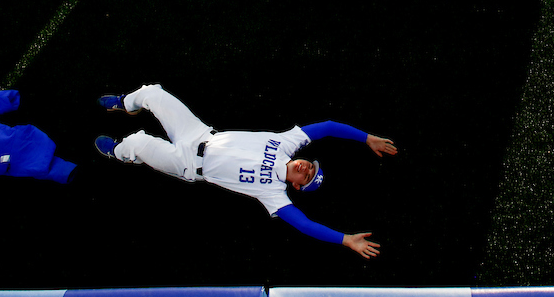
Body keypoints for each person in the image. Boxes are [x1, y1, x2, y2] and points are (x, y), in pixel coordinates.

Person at [95, 84, 398, 259]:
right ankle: (125, 103)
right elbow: (329, 127)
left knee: (137, 143)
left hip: (186, 164)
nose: (306, 169)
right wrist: (367, 138)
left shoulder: (273, 194)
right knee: (153, 92)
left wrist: (344, 239)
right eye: (311, 167)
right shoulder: (286, 144)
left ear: (296, 187)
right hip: (199, 133)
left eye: (305, 178)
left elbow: (305, 225)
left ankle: (119, 152)